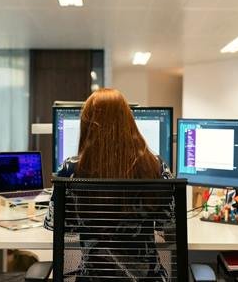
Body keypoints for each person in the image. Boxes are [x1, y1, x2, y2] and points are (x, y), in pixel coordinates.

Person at [44, 88, 173, 280]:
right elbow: (169, 224)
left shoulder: (71, 170)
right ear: (129, 122)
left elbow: (54, 224)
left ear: (87, 125)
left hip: (93, 277)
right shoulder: (156, 166)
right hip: (147, 277)